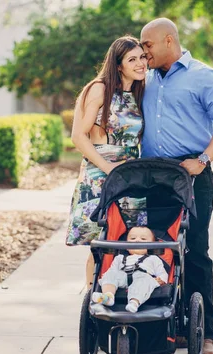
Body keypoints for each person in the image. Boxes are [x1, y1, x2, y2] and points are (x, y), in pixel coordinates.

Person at [140, 18, 213, 354]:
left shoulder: (202, 75)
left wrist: (202, 159)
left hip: (192, 176)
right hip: (152, 176)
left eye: (148, 45)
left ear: (169, 40)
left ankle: (205, 334)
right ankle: (159, 327)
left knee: (195, 252)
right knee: (153, 250)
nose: (144, 52)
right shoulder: (144, 78)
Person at [66, 36, 147, 288]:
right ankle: (92, 299)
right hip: (101, 173)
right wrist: (108, 167)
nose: (140, 63)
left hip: (131, 174)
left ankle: (120, 297)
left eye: (142, 57)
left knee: (129, 241)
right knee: (100, 243)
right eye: (132, 59)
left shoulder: (136, 92)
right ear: (118, 65)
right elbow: (78, 136)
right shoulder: (100, 88)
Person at [92, 226, 168, 313]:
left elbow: (162, 273)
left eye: (143, 239)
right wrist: (108, 276)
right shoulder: (119, 258)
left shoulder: (153, 259)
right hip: (122, 278)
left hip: (142, 277)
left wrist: (161, 279)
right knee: (111, 274)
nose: (137, 240)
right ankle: (108, 296)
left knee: (145, 281)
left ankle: (134, 302)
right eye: (132, 238)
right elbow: (112, 270)